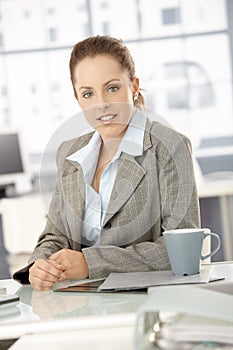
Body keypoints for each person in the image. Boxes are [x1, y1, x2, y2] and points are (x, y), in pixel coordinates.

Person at [13, 35, 200, 291]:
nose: (101, 105)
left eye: (112, 88)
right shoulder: (69, 153)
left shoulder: (169, 146)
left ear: (133, 87)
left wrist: (91, 263)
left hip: (147, 298)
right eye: (88, 94)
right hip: (78, 299)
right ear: (78, 99)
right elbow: (55, 236)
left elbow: (180, 250)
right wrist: (41, 265)